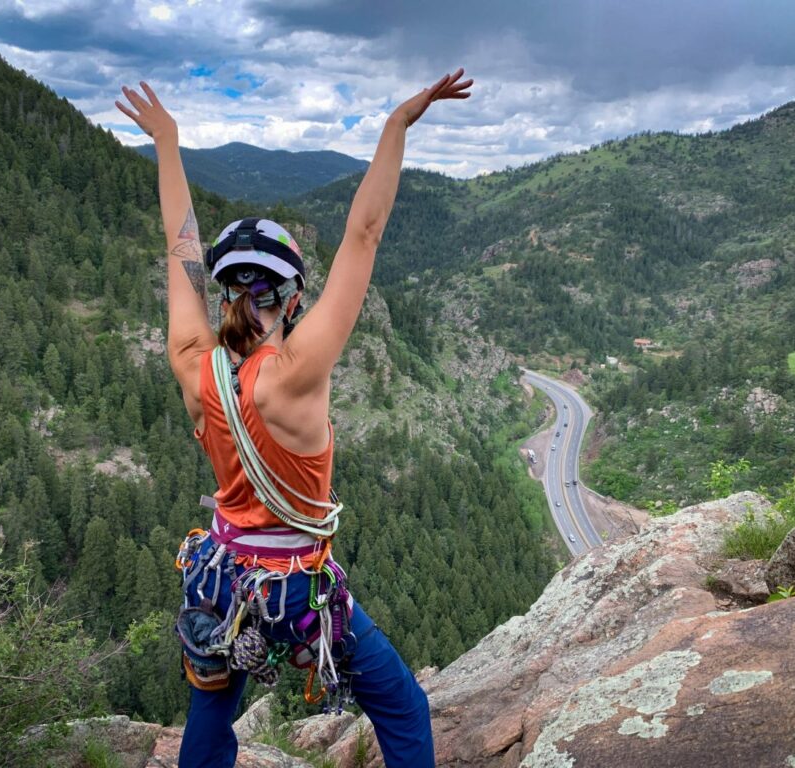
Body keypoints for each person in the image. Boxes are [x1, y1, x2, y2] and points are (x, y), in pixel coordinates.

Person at [116, 69, 472, 768]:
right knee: (401, 706)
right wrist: (397, 124)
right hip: (298, 596)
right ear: (293, 298)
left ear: (225, 296)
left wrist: (168, 144)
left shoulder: (196, 367)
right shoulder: (297, 375)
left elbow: (179, 247)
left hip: (220, 585)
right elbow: (363, 235)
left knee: (210, 721)